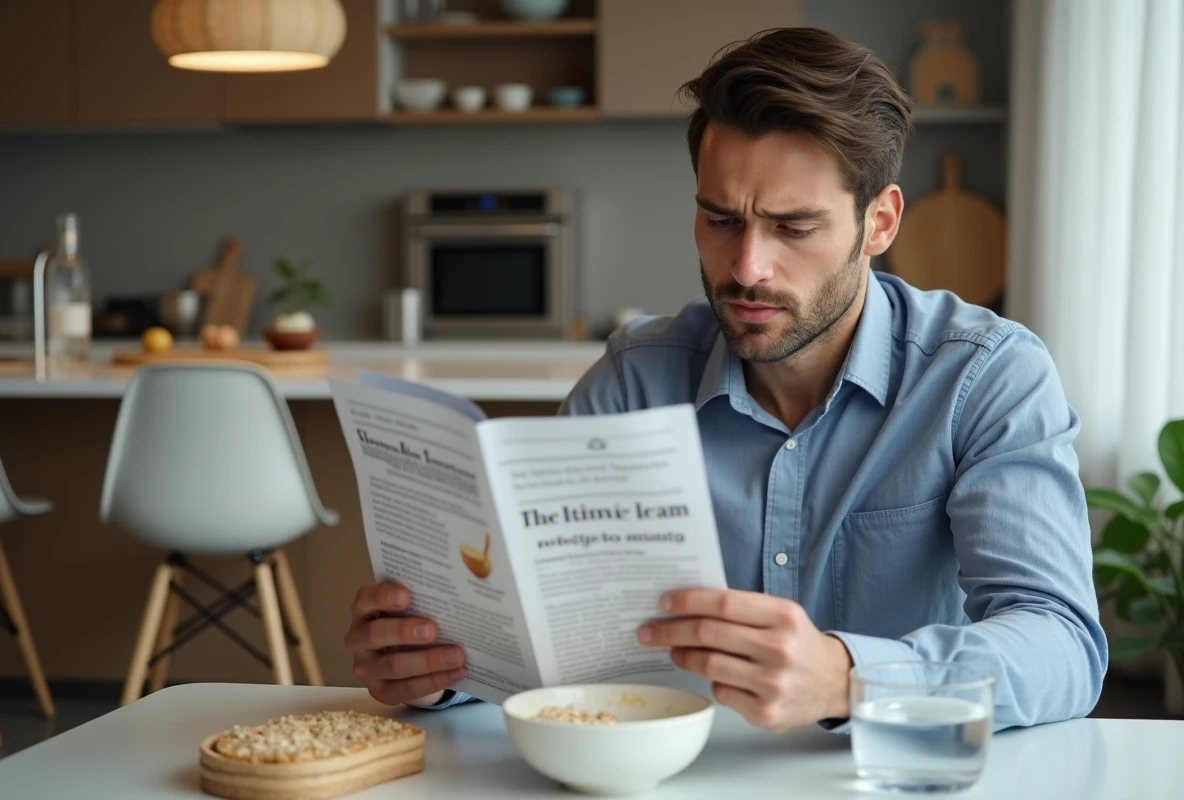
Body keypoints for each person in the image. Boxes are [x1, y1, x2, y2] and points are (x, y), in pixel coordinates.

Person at [344, 26, 1107, 733]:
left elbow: (1062, 643)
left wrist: (850, 678)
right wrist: (437, 670)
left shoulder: (986, 377)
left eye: (793, 227)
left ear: (879, 222)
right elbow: (541, 633)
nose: (747, 267)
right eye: (721, 219)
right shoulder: (634, 381)